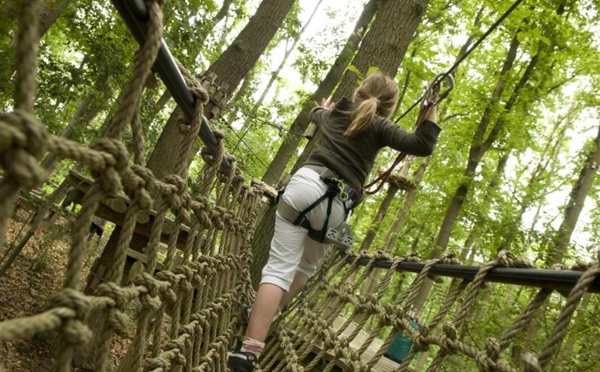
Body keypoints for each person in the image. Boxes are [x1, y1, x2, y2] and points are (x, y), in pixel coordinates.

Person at [228, 71, 441, 371]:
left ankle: (248, 351)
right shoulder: (381, 126)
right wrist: (430, 107)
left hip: (305, 185)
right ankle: (263, 315)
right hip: (337, 206)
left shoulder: (337, 112)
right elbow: (422, 144)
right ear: (389, 106)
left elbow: (315, 114)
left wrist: (324, 108)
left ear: (359, 91)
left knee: (278, 268)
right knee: (303, 267)